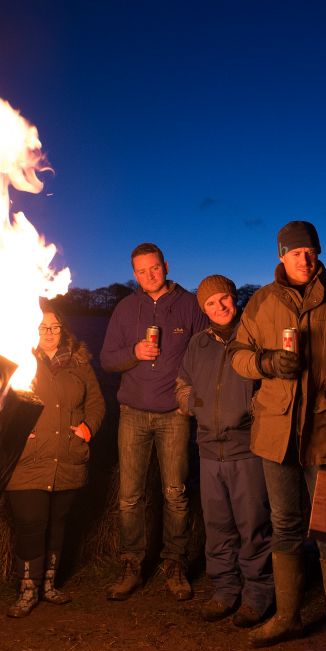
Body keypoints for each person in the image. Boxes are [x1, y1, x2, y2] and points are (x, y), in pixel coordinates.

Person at [228, 221, 326, 651]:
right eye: (295, 252)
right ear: (281, 256)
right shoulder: (262, 301)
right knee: (285, 524)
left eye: (309, 251)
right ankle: (288, 615)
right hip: (275, 430)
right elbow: (238, 355)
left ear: (318, 252)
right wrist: (268, 363)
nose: (304, 258)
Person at [99, 243, 208, 601]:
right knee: (130, 496)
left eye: (154, 268)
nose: (149, 276)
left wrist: (190, 396)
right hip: (132, 413)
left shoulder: (190, 306)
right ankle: (132, 564)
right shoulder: (127, 308)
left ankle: (174, 564)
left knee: (175, 493)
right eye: (142, 271)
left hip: (174, 415)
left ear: (165, 265)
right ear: (135, 274)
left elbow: (205, 354)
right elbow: (107, 360)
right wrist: (134, 353)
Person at [175, 275, 274, 627]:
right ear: (204, 309)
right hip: (208, 450)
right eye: (210, 303)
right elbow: (182, 382)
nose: (219, 307)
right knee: (218, 527)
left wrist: (252, 407)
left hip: (246, 449)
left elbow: (271, 383)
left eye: (223, 299)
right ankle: (224, 591)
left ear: (234, 298)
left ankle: (258, 595)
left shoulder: (253, 336)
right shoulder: (199, 344)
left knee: (253, 526)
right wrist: (192, 405)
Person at [5, 302, 105, 617]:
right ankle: (28, 588)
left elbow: (96, 402)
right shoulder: (19, 359)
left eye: (55, 327)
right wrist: (16, 432)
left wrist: (88, 429)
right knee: (31, 523)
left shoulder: (78, 363)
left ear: (63, 330)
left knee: (57, 524)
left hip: (68, 457)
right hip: (29, 459)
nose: (49, 333)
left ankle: (48, 585)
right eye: (42, 327)